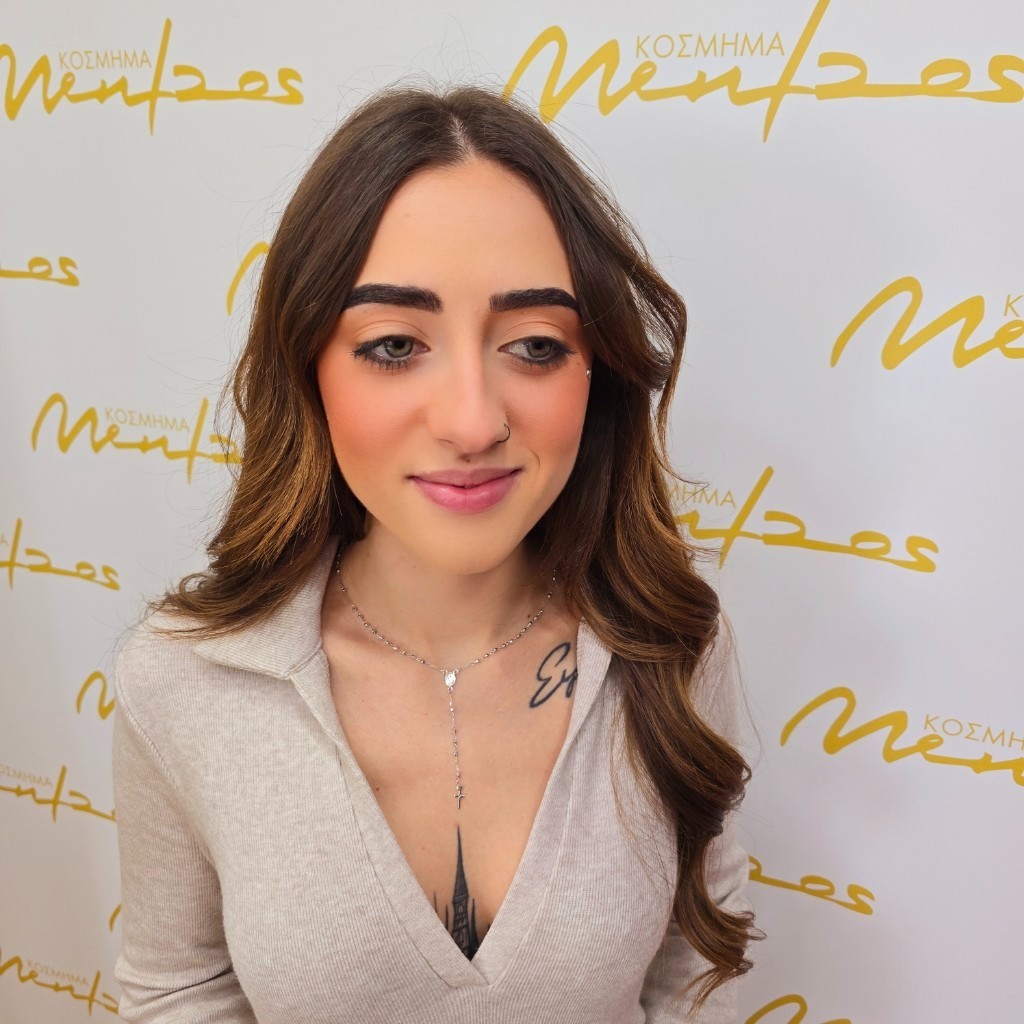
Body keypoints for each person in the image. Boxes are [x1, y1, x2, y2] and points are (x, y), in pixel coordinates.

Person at [110, 80, 762, 1023]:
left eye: (534, 346)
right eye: (393, 346)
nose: (472, 421)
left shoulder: (671, 645)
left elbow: (695, 972)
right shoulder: (185, 678)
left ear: (599, 372)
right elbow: (179, 991)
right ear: (308, 368)